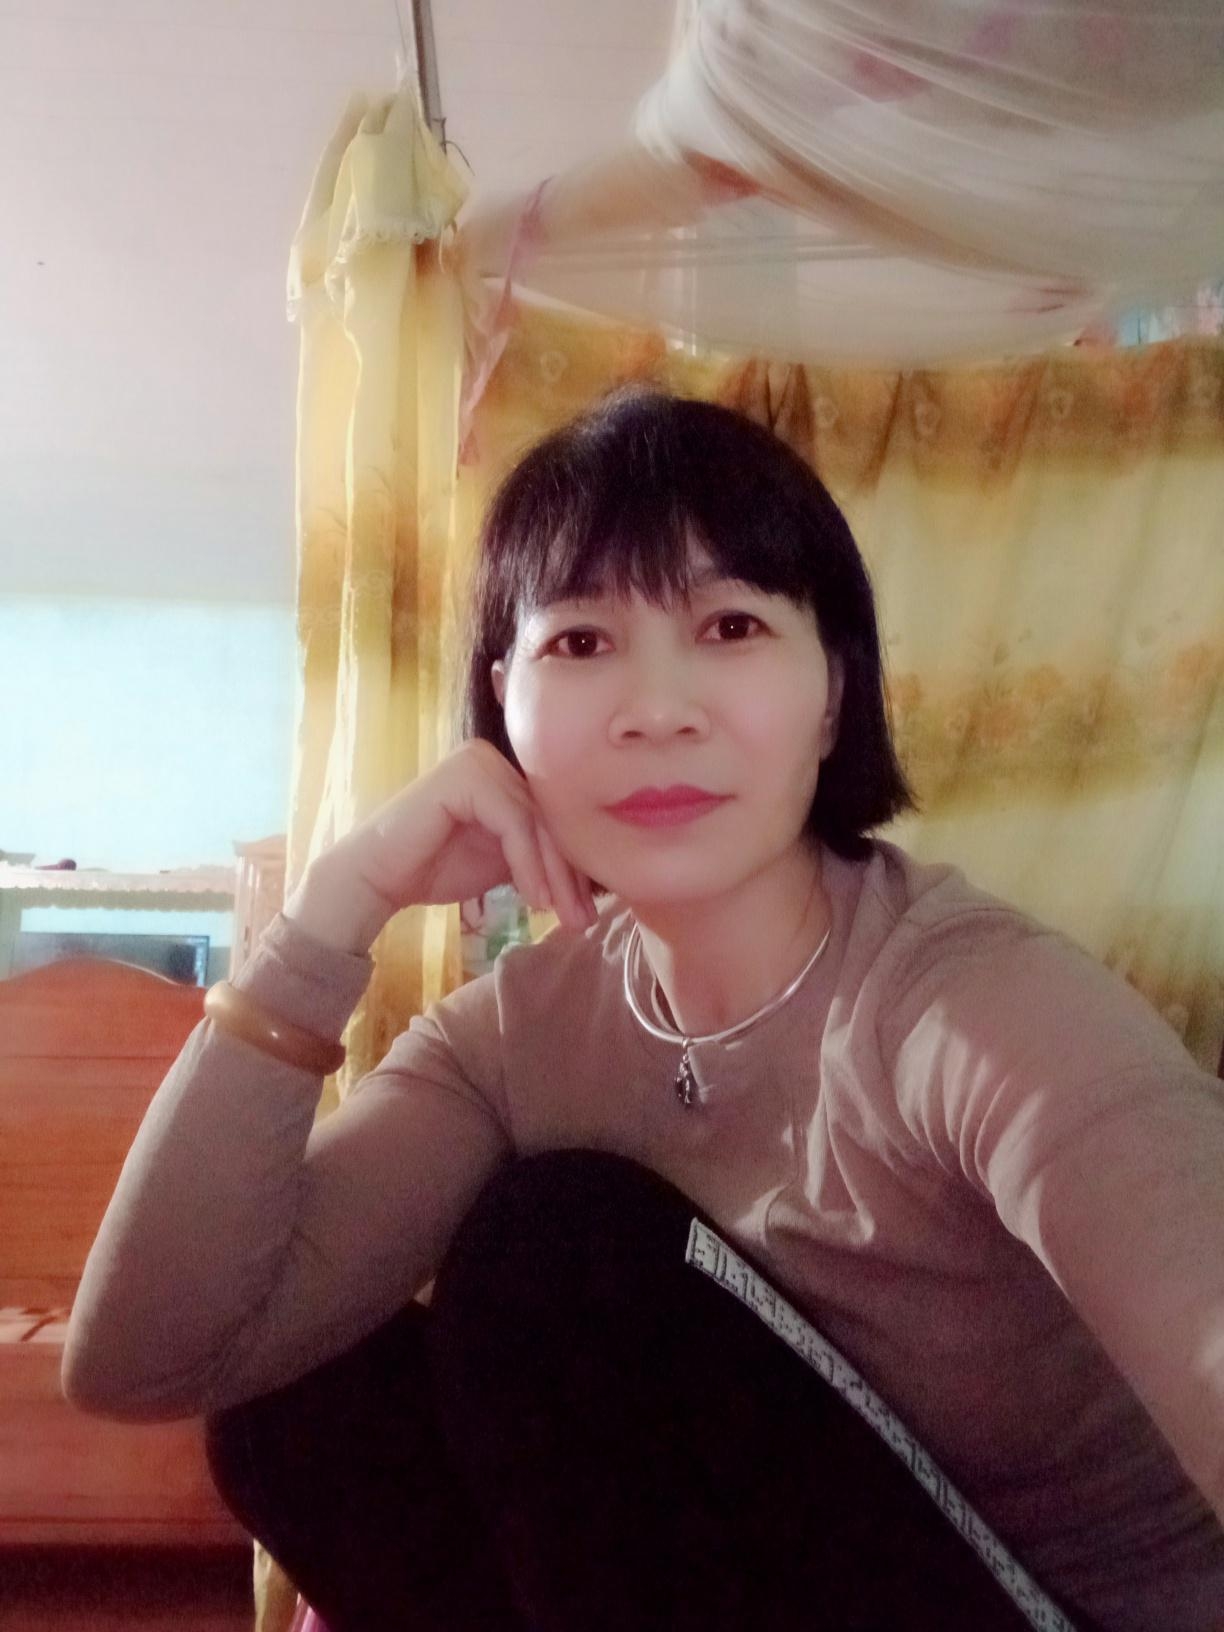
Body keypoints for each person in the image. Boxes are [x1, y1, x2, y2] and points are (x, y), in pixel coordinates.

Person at [62, 389, 1224, 1632]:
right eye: (581, 643)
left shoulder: (968, 999)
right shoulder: (518, 1036)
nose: (658, 709)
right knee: (300, 1389)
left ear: (833, 695)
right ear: (501, 701)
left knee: (560, 1248)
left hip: (1071, 1607)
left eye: (730, 625)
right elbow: (152, 1361)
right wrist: (336, 908)